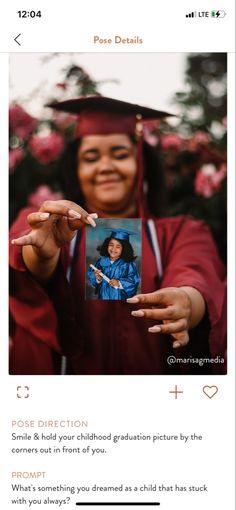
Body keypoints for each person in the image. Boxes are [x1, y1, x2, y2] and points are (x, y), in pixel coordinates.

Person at [9, 96, 227, 375]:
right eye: (90, 157)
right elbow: (23, 263)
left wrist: (187, 302)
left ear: (142, 164)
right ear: (75, 169)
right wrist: (40, 253)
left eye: (120, 154)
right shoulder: (46, 224)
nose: (106, 166)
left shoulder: (181, 232)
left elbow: (196, 273)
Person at [87, 228, 140, 300]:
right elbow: (92, 277)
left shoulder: (128, 264)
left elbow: (134, 281)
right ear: (107, 245)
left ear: (124, 249)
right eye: (111, 245)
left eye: (118, 246)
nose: (113, 249)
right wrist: (97, 278)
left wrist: (119, 283)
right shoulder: (101, 261)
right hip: (103, 296)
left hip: (119, 297)